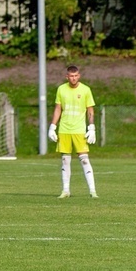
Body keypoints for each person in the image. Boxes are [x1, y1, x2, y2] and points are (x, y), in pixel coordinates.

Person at [47, 65, 98, 199]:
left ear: (79, 76)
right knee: (65, 159)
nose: (74, 78)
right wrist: (52, 126)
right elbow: (58, 109)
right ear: (67, 76)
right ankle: (65, 190)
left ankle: (92, 191)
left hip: (79, 130)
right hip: (64, 129)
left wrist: (91, 128)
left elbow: (90, 110)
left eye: (76, 76)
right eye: (71, 76)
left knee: (84, 160)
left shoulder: (86, 90)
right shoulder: (61, 89)